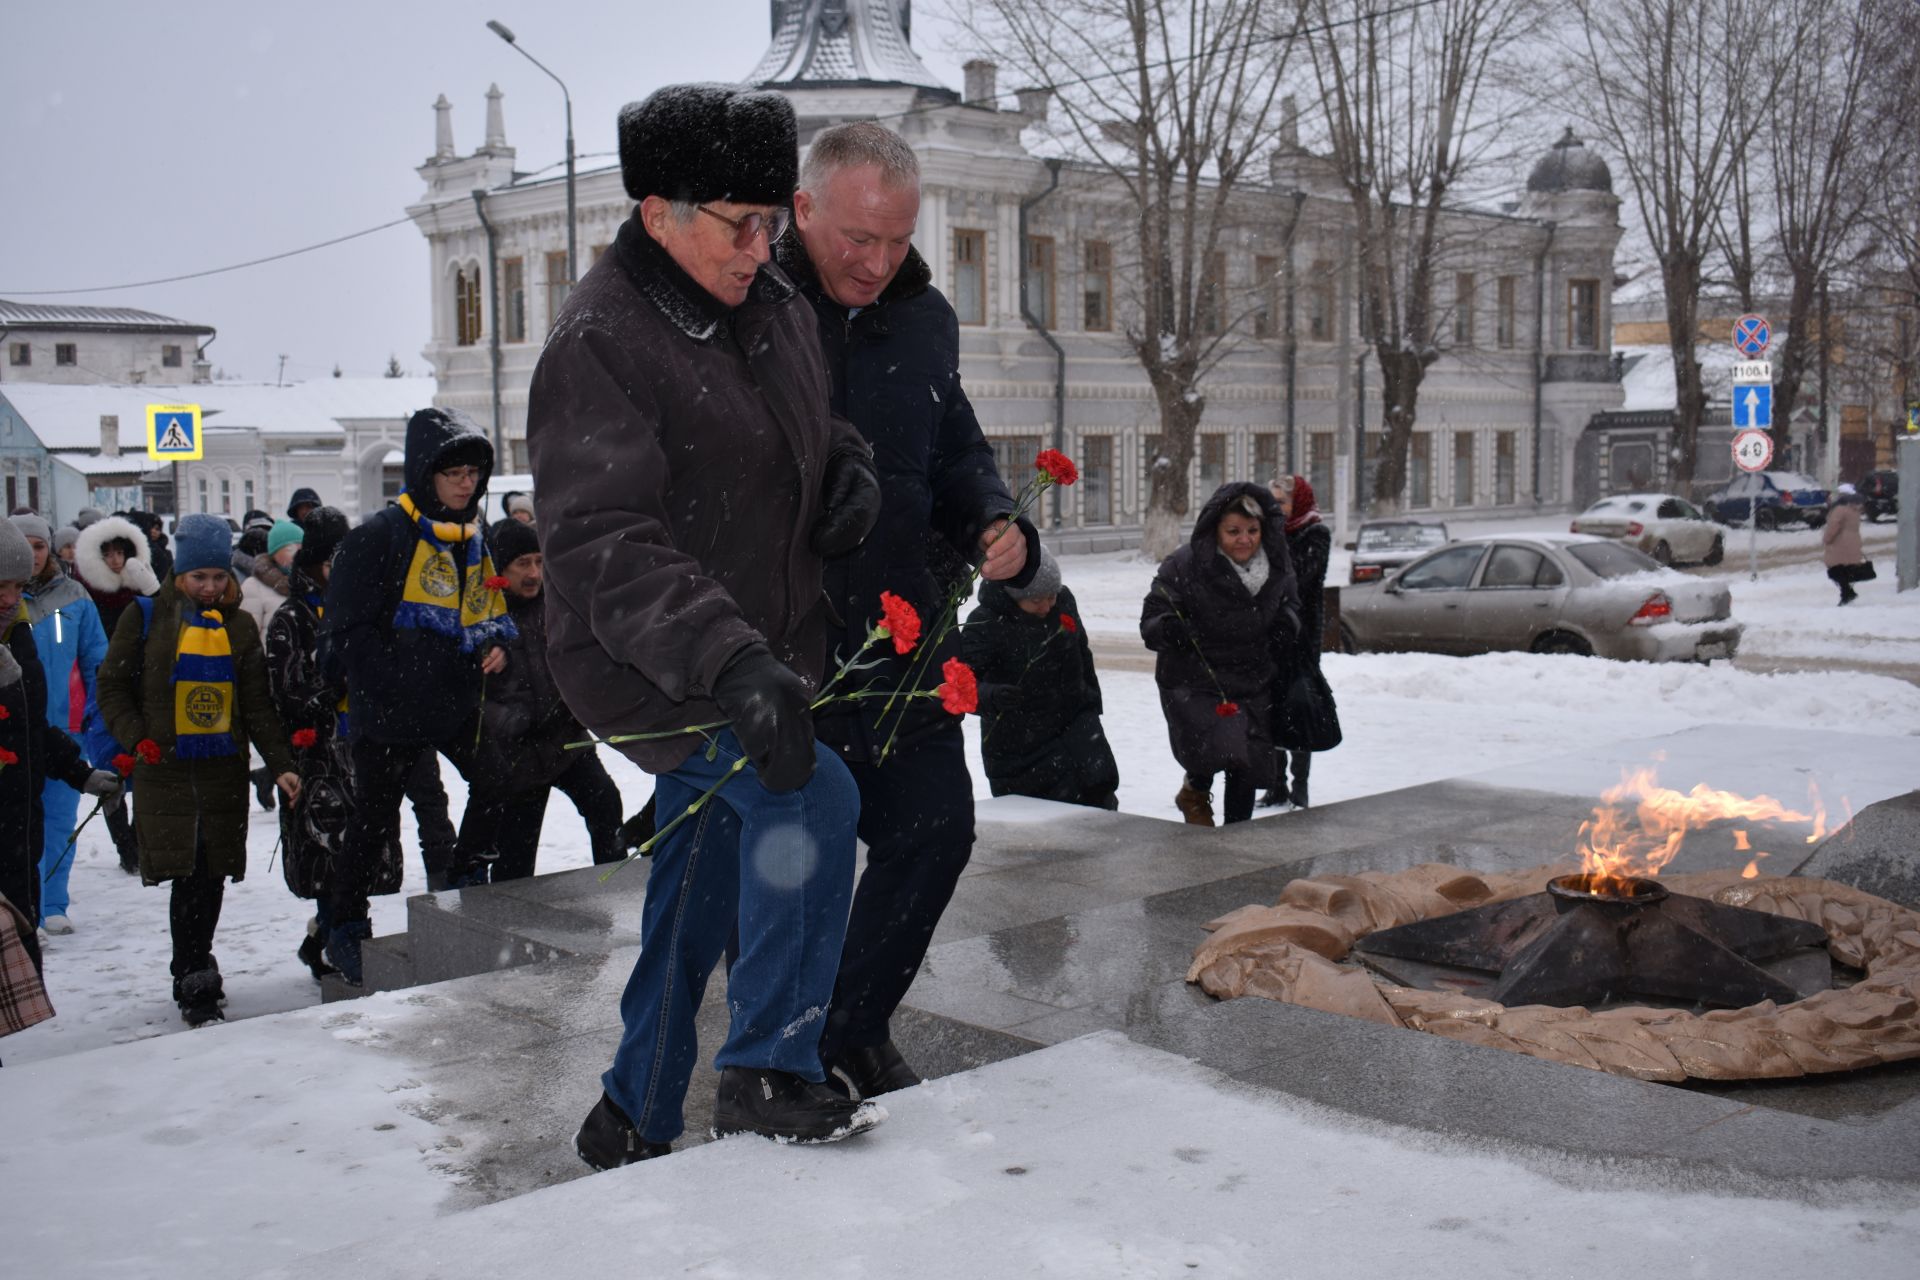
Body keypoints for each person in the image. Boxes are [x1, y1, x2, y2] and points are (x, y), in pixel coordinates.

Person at [529, 83, 885, 1163]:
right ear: (659, 213)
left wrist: (849, 465)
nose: (761, 246)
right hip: (653, 663)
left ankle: (632, 1107)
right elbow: (601, 537)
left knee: (704, 868)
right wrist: (727, 655)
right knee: (809, 794)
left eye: (771, 221)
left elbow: (807, 420)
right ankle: (768, 1066)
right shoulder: (601, 341)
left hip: (755, 647)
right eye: (740, 224)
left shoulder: (762, 299)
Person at [778, 119, 1035, 1098]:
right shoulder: (758, 316)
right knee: (799, 865)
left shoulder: (925, 318)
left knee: (934, 829)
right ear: (803, 209)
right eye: (857, 239)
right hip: (794, 643)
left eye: (897, 240)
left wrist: (995, 517)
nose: (878, 263)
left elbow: (954, 439)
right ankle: (790, 1042)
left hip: (903, 633)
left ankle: (851, 1023)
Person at [317, 407, 515, 983]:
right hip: (389, 712)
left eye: (474, 472)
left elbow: (487, 619)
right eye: (453, 471)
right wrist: (399, 681)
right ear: (426, 473)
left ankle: (462, 879)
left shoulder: (472, 540)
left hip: (453, 704)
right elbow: (346, 635)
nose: (466, 482)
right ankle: (345, 927)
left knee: (499, 776)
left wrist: (495, 646)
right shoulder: (378, 537)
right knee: (374, 823)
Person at [95, 514, 295, 1025]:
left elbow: (256, 705)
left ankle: (196, 960)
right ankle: (193, 975)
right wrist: (137, 738)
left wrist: (281, 764)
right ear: (179, 575)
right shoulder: (144, 618)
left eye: (218, 577)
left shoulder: (239, 625)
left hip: (222, 771)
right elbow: (112, 687)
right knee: (187, 871)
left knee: (211, 873)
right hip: (166, 769)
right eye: (198, 577)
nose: (209, 587)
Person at [453, 518, 624, 882]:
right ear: (499, 569)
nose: (534, 573)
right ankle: (506, 928)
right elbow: (464, 692)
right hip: (515, 756)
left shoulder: (557, 605)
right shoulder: (479, 614)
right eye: (522, 564)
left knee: (606, 806)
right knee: (516, 859)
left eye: (538, 561)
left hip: (566, 740)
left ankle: (616, 886)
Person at [1140, 483, 1299, 827]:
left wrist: (1288, 624)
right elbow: (1153, 616)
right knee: (1223, 751)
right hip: (1196, 679)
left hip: (1253, 678)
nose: (1245, 539)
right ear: (1215, 530)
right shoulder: (1184, 564)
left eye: (1252, 530)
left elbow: (1292, 604)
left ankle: (1235, 839)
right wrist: (1171, 630)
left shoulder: (1276, 565)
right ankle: (1195, 790)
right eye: (1234, 531)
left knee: (1249, 762)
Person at [2, 519, 120, 977]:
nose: (32, 555)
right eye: (23, 546)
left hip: (59, 731)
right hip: (22, 739)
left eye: (37, 547)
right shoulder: (16, 615)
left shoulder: (71, 599)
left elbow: (96, 660)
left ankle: (52, 901)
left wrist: (95, 722)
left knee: (55, 823)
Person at [264, 506, 373, 981]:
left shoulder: (361, 610)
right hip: (318, 757)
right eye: (332, 563)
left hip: (363, 751)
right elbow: (289, 694)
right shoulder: (292, 618)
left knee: (358, 852)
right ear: (310, 565)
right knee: (333, 857)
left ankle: (324, 939)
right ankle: (345, 940)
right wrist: (340, 684)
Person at [963, 547, 1118, 809]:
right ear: (1013, 594)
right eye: (1037, 600)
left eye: (1052, 596)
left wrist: (1091, 703)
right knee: (1037, 828)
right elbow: (959, 685)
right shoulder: (984, 623)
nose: (1048, 605)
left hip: (1079, 733)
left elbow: (1082, 653)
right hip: (1019, 747)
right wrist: (990, 695)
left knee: (1100, 804)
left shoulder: (1064, 601)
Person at [73, 515, 159, 873]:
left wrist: (153, 590)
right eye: (107, 553)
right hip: (100, 689)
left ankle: (141, 841)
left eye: (121, 551)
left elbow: (166, 626)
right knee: (111, 768)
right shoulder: (84, 594)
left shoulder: (142, 591)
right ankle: (125, 845)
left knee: (144, 761)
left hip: (142, 686)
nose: (114, 560)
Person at [1261, 475, 1339, 810]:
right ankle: (1275, 785)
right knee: (1270, 710)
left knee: (1299, 709)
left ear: (1298, 503)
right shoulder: (1268, 535)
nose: (1275, 508)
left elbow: (1300, 576)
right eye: (1272, 501)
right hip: (1270, 635)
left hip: (1301, 638)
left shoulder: (1315, 533)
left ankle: (1300, 788)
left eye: (1281, 502)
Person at [1823, 483, 1871, 606]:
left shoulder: (1839, 509)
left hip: (1840, 543)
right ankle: (1847, 593)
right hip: (1853, 541)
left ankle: (1847, 593)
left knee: (1835, 570)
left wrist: (1827, 539)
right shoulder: (1855, 508)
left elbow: (1834, 526)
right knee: (1845, 569)